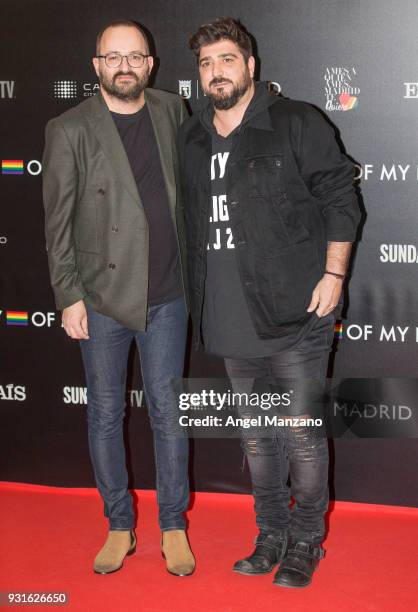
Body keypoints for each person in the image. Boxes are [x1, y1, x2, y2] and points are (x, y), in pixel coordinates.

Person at [178, 17, 360, 588]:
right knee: (258, 438)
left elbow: (340, 199)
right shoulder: (192, 137)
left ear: (251, 66)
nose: (216, 72)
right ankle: (271, 534)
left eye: (227, 60)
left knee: (302, 433)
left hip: (297, 312)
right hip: (229, 317)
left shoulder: (297, 122)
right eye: (206, 64)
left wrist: (334, 274)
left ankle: (307, 540)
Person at [42, 19, 195, 577]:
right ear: (97, 65)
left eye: (135, 56)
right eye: (113, 57)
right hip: (103, 298)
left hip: (168, 295)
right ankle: (119, 524)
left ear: (150, 64)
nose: (124, 65)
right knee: (105, 415)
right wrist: (68, 295)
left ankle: (173, 524)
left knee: (168, 415)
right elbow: (56, 224)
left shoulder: (171, 110)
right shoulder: (69, 128)